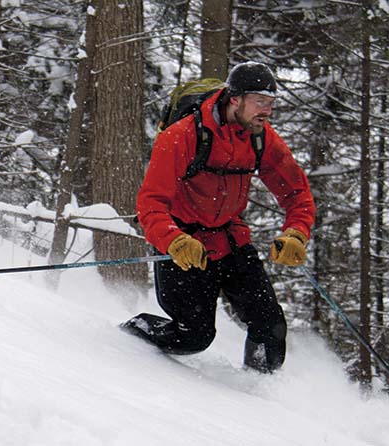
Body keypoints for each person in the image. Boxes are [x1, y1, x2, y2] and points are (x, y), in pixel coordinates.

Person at [121, 62, 316, 373]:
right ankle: (125, 338)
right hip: (185, 246)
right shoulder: (182, 136)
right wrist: (174, 241)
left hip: (229, 239)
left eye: (270, 103)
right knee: (194, 336)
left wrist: (296, 232)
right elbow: (151, 203)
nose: (267, 111)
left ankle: (261, 394)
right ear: (234, 99)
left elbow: (297, 193)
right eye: (259, 102)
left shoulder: (260, 138)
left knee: (271, 325)